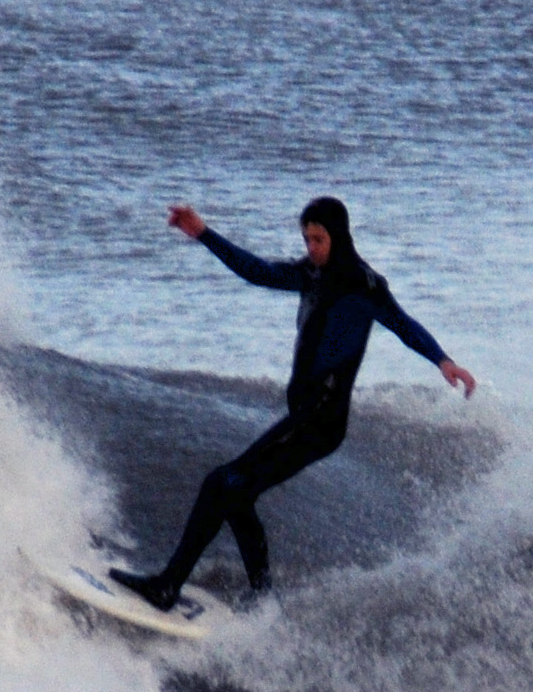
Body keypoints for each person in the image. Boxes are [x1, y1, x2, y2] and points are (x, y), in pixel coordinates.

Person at [109, 196, 477, 610]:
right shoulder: (311, 274)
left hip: (321, 422)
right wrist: (203, 234)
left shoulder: (364, 284)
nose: (312, 248)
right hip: (304, 416)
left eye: (319, 239)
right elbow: (259, 272)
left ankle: (168, 585)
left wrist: (443, 360)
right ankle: (263, 598)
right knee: (236, 493)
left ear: (339, 236)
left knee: (220, 484)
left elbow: (403, 324)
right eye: (307, 239)